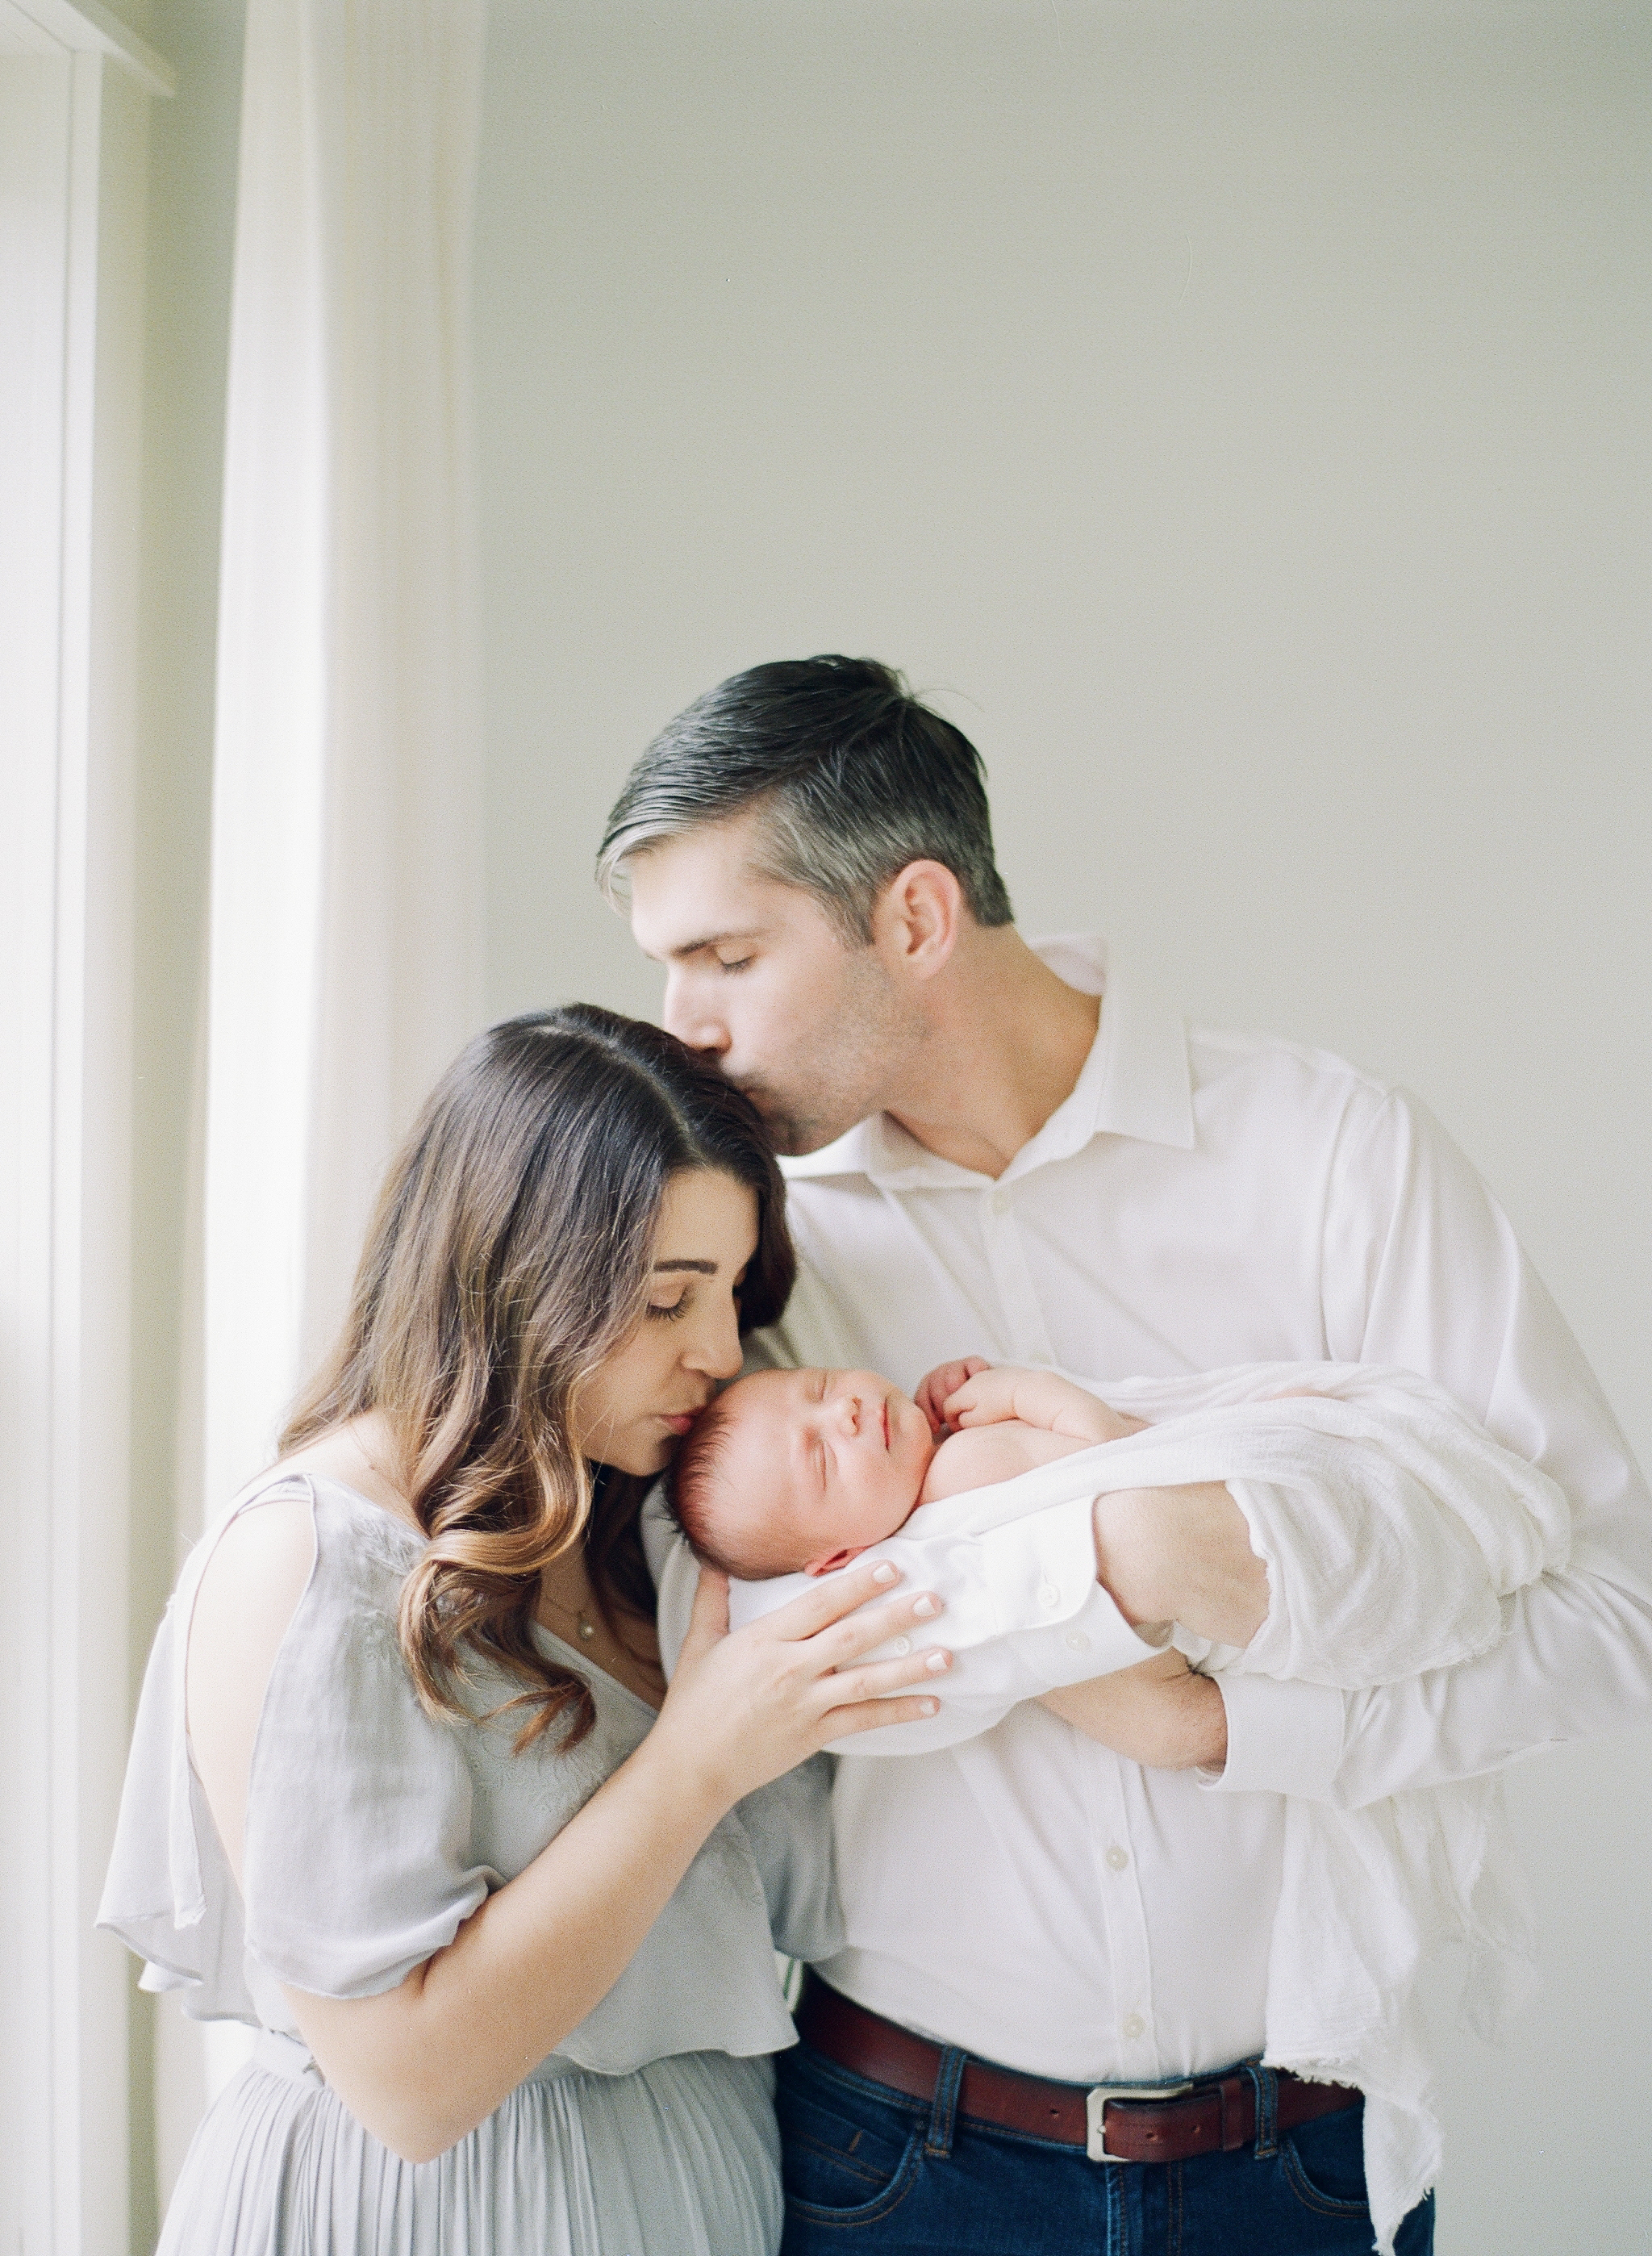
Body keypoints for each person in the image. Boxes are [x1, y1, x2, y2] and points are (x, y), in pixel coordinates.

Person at [599, 655, 1652, 2256]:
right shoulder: (747, 1249)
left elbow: (1610, 1617)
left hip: (1301, 2167)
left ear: (914, 917)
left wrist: (1221, 1725)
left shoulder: (1327, 1152)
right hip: (894, 2166)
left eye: (726, 957)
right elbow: (693, 1634)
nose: (683, 1027)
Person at [97, 1005, 954, 2256]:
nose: (718, 1350)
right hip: (439, 2215)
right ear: (517, 1283)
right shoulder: (313, 1562)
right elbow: (410, 2086)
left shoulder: (647, 1528)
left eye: (727, 1291)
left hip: (700, 2195)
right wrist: (700, 1760)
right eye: (668, 1301)